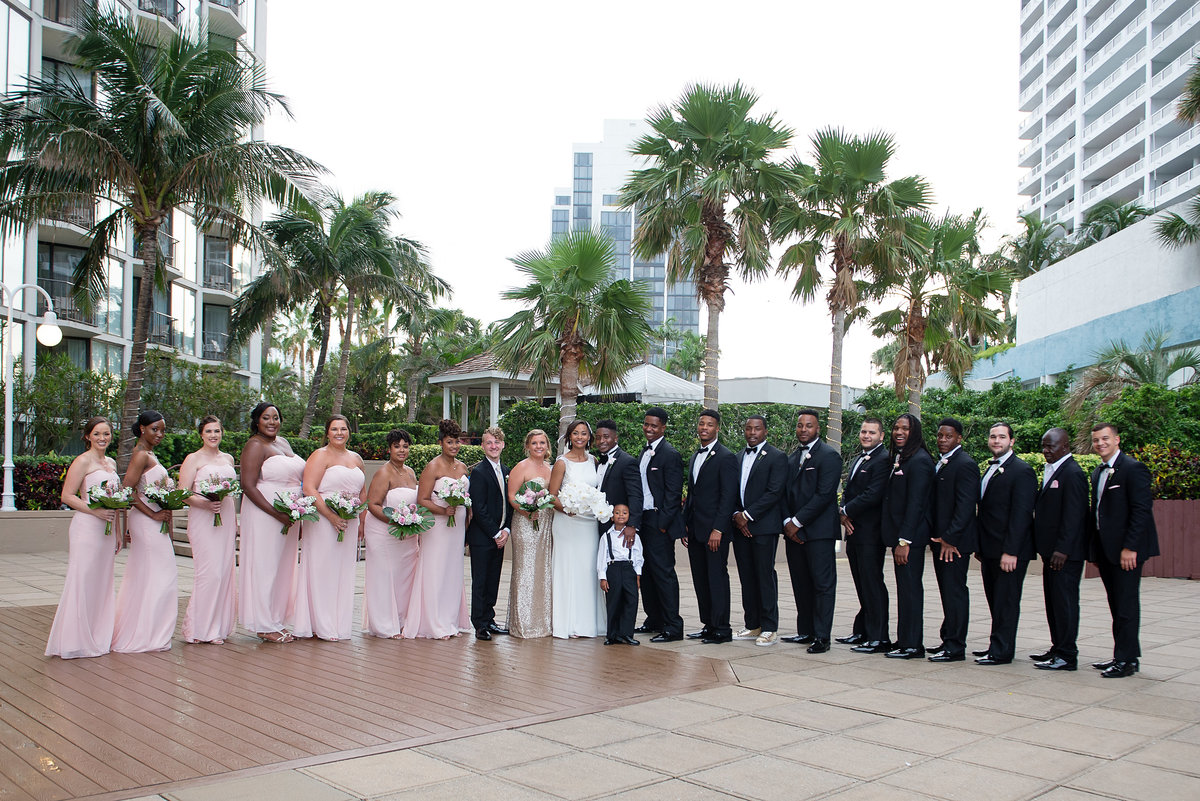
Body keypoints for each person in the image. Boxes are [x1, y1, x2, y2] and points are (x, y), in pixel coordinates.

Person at [46, 417, 121, 659]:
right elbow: (67, 496)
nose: (102, 438)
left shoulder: (111, 462)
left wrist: (118, 530)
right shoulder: (82, 461)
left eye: (106, 434)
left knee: (102, 582)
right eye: (97, 434)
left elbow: (116, 500)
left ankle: (98, 636)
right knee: (83, 580)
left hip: (107, 531)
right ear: (88, 436)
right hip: (87, 527)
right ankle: (74, 641)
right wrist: (94, 511)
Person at [1089, 422, 1159, 678]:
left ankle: (1126, 660)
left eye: (1105, 439)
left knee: (1126, 605)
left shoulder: (1133, 468)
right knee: (1116, 604)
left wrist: (1131, 548)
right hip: (1107, 550)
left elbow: (1141, 511)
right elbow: (1098, 513)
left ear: (1117, 440)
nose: (1100, 444)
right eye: (1096, 440)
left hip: (1127, 551)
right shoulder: (1098, 471)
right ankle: (1124, 654)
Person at [293, 415, 365, 641]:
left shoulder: (356, 458)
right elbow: (310, 489)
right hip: (324, 520)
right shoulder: (319, 455)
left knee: (343, 571)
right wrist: (331, 517)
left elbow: (363, 492)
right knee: (322, 569)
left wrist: (360, 519)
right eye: (334, 429)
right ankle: (320, 624)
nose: (339, 433)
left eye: (343, 428)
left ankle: (338, 623)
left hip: (349, 521)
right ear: (327, 433)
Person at [112, 410, 178, 653]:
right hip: (147, 522)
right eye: (155, 429)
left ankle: (151, 631)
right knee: (161, 577)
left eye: (162, 429)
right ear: (142, 428)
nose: (159, 434)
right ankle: (147, 635)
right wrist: (153, 514)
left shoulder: (150, 454)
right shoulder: (140, 455)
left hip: (153, 521)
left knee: (153, 576)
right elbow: (127, 491)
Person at [238, 401, 303, 644]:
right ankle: (264, 625)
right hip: (265, 513)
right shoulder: (255, 445)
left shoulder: (283, 443)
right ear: (257, 421)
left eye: (276, 417)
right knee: (265, 566)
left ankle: (276, 618)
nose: (272, 422)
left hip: (289, 514)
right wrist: (276, 514)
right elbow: (248, 486)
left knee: (282, 567)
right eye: (266, 417)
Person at [973, 422, 1037, 666]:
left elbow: (1021, 515)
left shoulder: (1021, 471)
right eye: (992, 437)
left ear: (1012, 441)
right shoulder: (990, 469)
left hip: (1009, 552)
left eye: (1001, 437)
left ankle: (1002, 651)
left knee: (1006, 602)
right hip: (989, 549)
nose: (996, 441)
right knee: (995, 600)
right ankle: (995, 645)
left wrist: (1011, 551)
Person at [404, 419, 471, 639]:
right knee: (435, 569)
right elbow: (422, 499)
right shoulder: (433, 467)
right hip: (438, 526)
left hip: (457, 526)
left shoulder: (461, 467)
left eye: (457, 442)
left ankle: (450, 619)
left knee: (452, 571)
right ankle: (433, 623)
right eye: (450, 442)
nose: (454, 446)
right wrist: (443, 512)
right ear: (441, 442)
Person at [781, 409, 841, 653]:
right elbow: (783, 493)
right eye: (800, 425)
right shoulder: (792, 457)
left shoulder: (829, 456)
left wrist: (797, 521)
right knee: (801, 583)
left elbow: (825, 495)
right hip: (793, 532)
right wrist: (787, 521)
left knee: (822, 585)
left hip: (819, 532)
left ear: (818, 428)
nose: (803, 429)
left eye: (809, 426)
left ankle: (822, 636)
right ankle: (804, 631)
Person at [1030, 427, 1089, 672]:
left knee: (1064, 603)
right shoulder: (1054, 470)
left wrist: (1063, 549)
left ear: (1065, 446)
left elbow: (1075, 516)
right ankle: (1057, 647)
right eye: (1044, 446)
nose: (1045, 451)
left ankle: (1067, 654)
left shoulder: (1072, 473)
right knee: (1053, 602)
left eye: (1050, 446)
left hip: (1064, 555)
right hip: (1050, 552)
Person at [179, 415, 237, 645]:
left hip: (226, 516)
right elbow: (183, 492)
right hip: (203, 517)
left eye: (217, 431)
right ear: (201, 434)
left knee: (223, 572)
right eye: (209, 431)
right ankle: (199, 628)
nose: (214, 435)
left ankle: (218, 626)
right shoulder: (193, 458)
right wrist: (204, 503)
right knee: (209, 572)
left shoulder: (228, 458)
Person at [730, 414, 788, 647]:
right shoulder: (737, 457)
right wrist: (736, 515)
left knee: (764, 576)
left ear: (765, 432)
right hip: (739, 526)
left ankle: (770, 627)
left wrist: (748, 515)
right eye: (748, 429)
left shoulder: (777, 457)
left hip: (763, 527)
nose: (752, 433)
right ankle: (753, 623)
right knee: (747, 576)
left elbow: (774, 492)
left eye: (757, 429)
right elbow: (731, 490)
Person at [682, 409, 738, 644]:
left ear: (717, 428)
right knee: (700, 579)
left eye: (710, 425)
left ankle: (722, 628)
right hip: (696, 529)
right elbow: (692, 494)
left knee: (716, 578)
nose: (704, 428)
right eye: (702, 424)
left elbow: (728, 497)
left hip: (714, 531)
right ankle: (708, 624)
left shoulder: (726, 457)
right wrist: (685, 525)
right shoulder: (696, 455)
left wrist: (719, 529)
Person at [883, 414, 935, 660]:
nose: (899, 432)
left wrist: (904, 541)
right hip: (899, 538)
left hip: (910, 540)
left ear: (915, 432)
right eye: (896, 428)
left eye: (905, 428)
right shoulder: (902, 458)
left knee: (911, 590)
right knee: (904, 590)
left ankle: (913, 644)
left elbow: (917, 505)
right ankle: (904, 640)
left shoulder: (921, 461)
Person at [549, 419, 607, 639]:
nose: (580, 437)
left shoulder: (594, 461)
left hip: (589, 523)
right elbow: (551, 495)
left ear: (589, 437)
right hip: (568, 523)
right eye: (576, 433)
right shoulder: (562, 463)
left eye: (584, 433)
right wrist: (567, 508)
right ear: (569, 437)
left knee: (588, 569)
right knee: (569, 569)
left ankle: (589, 623)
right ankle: (569, 623)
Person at [839, 417, 892, 653]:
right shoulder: (861, 457)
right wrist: (844, 515)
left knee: (872, 584)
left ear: (881, 436)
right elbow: (852, 490)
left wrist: (845, 511)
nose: (866, 436)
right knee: (862, 584)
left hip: (871, 533)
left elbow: (873, 494)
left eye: (872, 432)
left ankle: (879, 637)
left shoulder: (883, 459)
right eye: (863, 432)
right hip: (854, 531)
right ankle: (862, 631)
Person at [928, 417, 979, 663]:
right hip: (941, 541)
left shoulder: (965, 464)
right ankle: (947, 639)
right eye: (940, 436)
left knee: (955, 592)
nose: (943, 440)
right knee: (947, 592)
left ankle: (955, 646)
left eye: (948, 436)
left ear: (959, 438)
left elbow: (966, 506)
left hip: (954, 544)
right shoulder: (945, 463)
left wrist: (950, 539)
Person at [363, 429, 420, 638]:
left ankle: (403, 620)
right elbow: (373, 504)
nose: (402, 450)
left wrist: (410, 524)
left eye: (405, 446)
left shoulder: (411, 472)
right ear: (389, 449)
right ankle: (384, 625)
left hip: (407, 535)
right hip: (383, 532)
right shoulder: (383, 473)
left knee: (405, 577)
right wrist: (396, 522)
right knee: (385, 576)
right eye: (397, 446)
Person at [635, 407, 685, 642]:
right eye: (646, 424)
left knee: (664, 573)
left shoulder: (670, 454)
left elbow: (674, 494)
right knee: (645, 573)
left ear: (663, 427)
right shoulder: (644, 451)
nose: (649, 429)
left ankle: (673, 626)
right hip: (643, 520)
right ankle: (653, 619)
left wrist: (663, 524)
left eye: (654, 426)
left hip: (658, 521)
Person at [505, 428, 554, 638]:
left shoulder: (551, 469)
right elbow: (512, 495)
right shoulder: (521, 467)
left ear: (547, 446)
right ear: (527, 446)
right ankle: (522, 623)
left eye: (542, 443)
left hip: (545, 524)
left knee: (543, 570)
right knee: (525, 570)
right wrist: (527, 511)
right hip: (525, 523)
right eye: (534, 443)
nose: (539, 447)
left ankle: (542, 622)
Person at [467, 426, 511, 640]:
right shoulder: (478, 472)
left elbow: (509, 503)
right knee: (481, 581)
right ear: (483, 446)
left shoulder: (505, 470)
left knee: (494, 579)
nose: (493, 446)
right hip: (483, 537)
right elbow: (479, 508)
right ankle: (480, 624)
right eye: (489, 443)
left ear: (503, 444)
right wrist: (495, 533)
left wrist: (506, 530)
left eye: (497, 442)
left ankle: (490, 618)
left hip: (500, 536)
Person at [598, 504, 643, 646]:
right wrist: (603, 577)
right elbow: (601, 557)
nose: (621, 515)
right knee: (613, 602)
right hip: (613, 569)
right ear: (612, 517)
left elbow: (638, 555)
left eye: (624, 513)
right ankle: (612, 635)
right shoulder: (606, 536)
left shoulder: (634, 535)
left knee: (631, 601)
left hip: (628, 568)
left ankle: (627, 633)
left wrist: (638, 574)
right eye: (617, 513)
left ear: (629, 516)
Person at [595, 419, 642, 544]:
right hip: (598, 524)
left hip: (619, 526)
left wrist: (632, 525)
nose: (601, 441)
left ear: (615, 438)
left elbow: (635, 495)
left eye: (606, 437)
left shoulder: (627, 462)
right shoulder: (598, 463)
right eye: (598, 438)